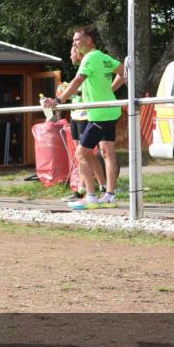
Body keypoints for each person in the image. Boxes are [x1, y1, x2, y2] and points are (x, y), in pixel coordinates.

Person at [43, 25, 125, 210]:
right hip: (109, 110)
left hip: (99, 114)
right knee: (107, 153)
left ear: (89, 40)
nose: (75, 43)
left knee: (81, 153)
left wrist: (58, 100)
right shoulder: (103, 57)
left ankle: (91, 196)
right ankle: (110, 195)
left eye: (77, 40)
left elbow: (78, 80)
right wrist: (109, 91)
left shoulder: (89, 57)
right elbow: (123, 72)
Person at [56, 42, 105, 202]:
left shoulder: (88, 65)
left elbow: (86, 89)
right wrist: (66, 92)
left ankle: (95, 188)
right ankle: (84, 188)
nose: (70, 55)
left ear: (79, 53)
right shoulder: (80, 68)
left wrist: (66, 93)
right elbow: (78, 91)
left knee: (86, 154)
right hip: (76, 115)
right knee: (82, 154)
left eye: (72, 52)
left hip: (86, 116)